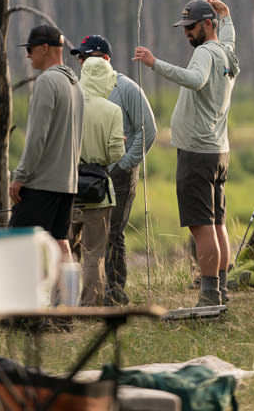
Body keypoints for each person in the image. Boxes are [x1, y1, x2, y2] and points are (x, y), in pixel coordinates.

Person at [133, 0, 239, 307]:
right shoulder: (226, 52)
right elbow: (230, 34)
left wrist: (155, 64)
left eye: (190, 27)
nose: (186, 33)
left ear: (207, 25)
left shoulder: (206, 53)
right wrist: (227, 14)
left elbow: (195, 80)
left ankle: (208, 297)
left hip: (197, 152)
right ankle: (221, 292)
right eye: (183, 28)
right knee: (217, 224)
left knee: (201, 227)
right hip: (219, 151)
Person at [70, 35, 157, 306]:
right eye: (81, 58)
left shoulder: (127, 88)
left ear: (106, 59)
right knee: (77, 233)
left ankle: (114, 292)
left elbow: (148, 131)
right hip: (85, 172)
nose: (82, 62)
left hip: (118, 173)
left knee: (113, 233)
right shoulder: (78, 90)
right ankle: (81, 294)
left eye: (88, 57)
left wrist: (125, 164)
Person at [9, 24, 84, 267]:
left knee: (17, 241)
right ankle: (67, 301)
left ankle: (21, 302)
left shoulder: (46, 82)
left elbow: (36, 137)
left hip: (42, 183)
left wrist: (20, 176)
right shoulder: (75, 86)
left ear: (45, 48)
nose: (28, 54)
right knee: (60, 243)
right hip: (67, 184)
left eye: (30, 49)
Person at [69, 56, 125, 306]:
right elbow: (116, 154)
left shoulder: (69, 104)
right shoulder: (112, 110)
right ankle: (90, 306)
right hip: (99, 193)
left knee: (66, 251)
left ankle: (63, 303)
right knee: (94, 254)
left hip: (67, 189)